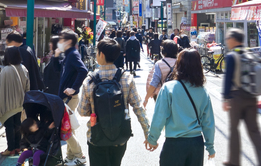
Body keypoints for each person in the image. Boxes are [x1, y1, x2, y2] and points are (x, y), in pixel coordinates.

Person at [78, 38, 150, 166]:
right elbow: (138, 107)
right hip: (120, 136)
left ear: (101, 55)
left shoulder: (89, 80)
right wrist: (148, 133)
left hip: (96, 136)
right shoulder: (126, 78)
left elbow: (82, 111)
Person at [146, 49, 216, 165]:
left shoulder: (169, 88)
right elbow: (208, 122)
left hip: (174, 144)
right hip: (196, 144)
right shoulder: (203, 91)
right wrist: (210, 147)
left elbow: (160, 116)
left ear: (179, 65)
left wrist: (152, 139)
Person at [222, 29, 261, 166]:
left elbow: (228, 79)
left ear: (233, 39)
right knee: (254, 131)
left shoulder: (232, 56)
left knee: (234, 129)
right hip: (252, 96)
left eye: (228, 38)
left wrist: (225, 98)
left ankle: (233, 161)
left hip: (236, 96)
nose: (227, 41)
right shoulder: (251, 53)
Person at [0, 46, 31, 156]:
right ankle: (18, 147)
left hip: (7, 104)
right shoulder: (24, 69)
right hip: (20, 103)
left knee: (9, 126)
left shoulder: (5, 70)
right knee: (18, 124)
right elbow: (28, 87)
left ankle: (10, 148)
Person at [58, 29, 88, 165]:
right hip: (67, 96)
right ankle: (71, 156)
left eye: (62, 40)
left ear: (69, 41)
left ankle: (78, 155)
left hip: (69, 97)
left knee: (65, 127)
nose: (59, 42)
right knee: (68, 127)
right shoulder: (69, 54)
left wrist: (73, 88)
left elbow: (83, 70)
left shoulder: (73, 54)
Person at [143, 40, 178, 107]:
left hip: (162, 95)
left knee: (162, 115)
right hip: (177, 95)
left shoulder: (159, 64)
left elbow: (154, 82)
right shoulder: (180, 62)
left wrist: (146, 99)